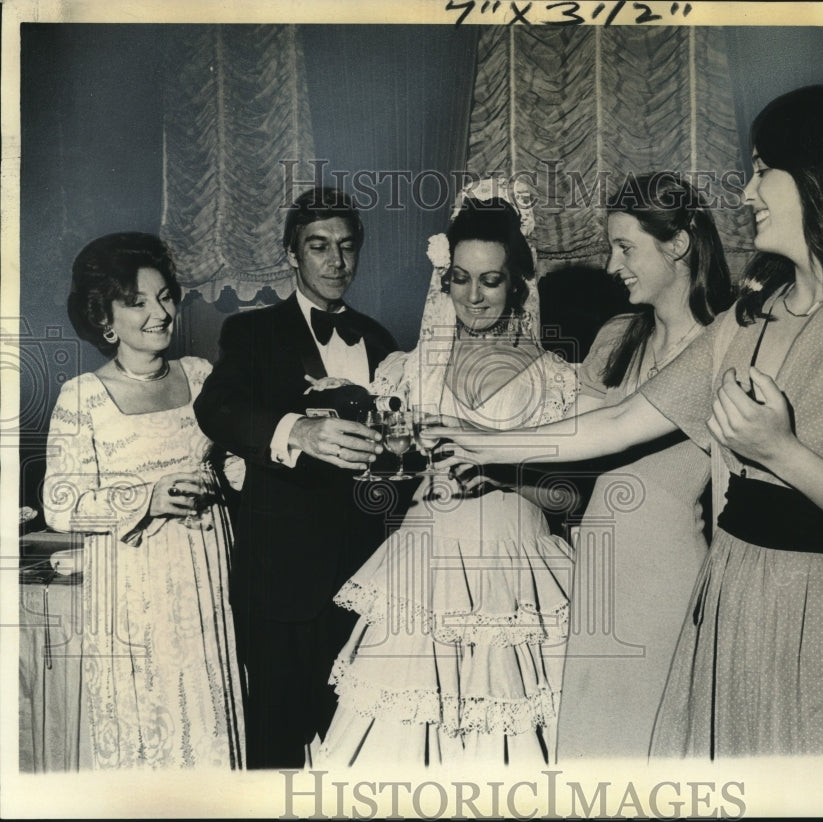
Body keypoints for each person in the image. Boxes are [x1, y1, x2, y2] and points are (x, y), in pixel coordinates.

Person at [437, 85, 823, 758]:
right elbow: (622, 420)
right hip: (731, 602)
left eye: (760, 169)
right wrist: (479, 442)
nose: (746, 192)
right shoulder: (748, 317)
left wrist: (782, 451)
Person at [311, 188, 579, 767]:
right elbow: (378, 485)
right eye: (460, 279)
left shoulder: (556, 379)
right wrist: (381, 459)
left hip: (517, 568)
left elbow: (568, 494)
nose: (474, 296)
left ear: (518, 284)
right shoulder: (405, 372)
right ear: (444, 280)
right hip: (426, 565)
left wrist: (500, 472)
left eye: (491, 280)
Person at [193, 187, 396, 769]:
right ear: (291, 254)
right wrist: (296, 431)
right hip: (281, 583)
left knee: (355, 750)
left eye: (348, 247)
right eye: (319, 246)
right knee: (277, 751)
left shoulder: (380, 338)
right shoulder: (253, 333)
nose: (337, 262)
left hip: (367, 577)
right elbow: (218, 409)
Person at [43, 232, 244, 768]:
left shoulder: (201, 376)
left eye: (164, 297)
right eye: (137, 302)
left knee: (213, 717)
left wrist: (245, 469)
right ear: (105, 319)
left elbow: (230, 464)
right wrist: (146, 498)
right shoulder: (82, 396)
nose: (159, 313)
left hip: (209, 572)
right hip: (135, 586)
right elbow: (60, 503)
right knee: (152, 726)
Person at [556, 172, 734, 760]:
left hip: (670, 580)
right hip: (598, 573)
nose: (612, 266)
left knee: (655, 752)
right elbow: (568, 440)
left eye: (625, 247)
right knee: (589, 751)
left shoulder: (726, 347)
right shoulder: (614, 337)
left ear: (678, 244)